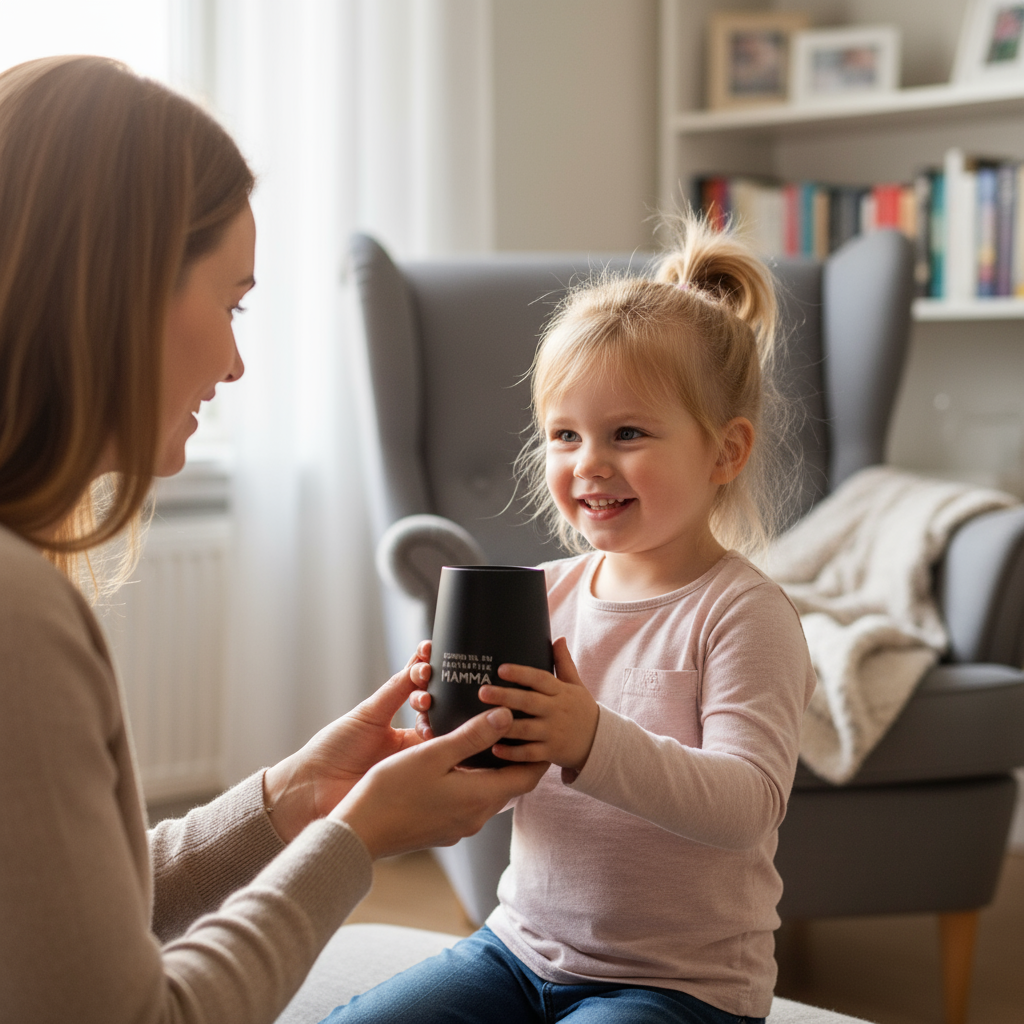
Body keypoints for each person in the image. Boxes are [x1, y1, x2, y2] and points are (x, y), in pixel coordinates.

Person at [0, 55, 547, 1024]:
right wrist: (351, 840)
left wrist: (289, 800)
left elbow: (56, 917)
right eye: (233, 302)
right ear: (117, 292)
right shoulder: (17, 611)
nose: (237, 361)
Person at [320, 216, 817, 1024]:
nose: (589, 462)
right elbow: (505, 787)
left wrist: (590, 739)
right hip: (519, 950)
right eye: (565, 435)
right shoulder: (540, 595)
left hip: (681, 985)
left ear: (725, 453)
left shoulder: (741, 615)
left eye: (628, 434)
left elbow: (748, 804)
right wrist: (459, 732)